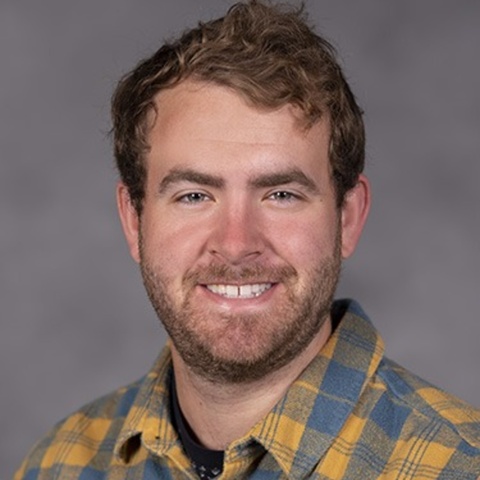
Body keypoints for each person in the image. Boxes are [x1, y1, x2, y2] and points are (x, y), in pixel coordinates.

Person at [15, 1, 480, 478]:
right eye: (194, 195)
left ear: (349, 217)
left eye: (281, 194)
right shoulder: (59, 463)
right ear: (134, 221)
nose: (236, 245)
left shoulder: (460, 465)